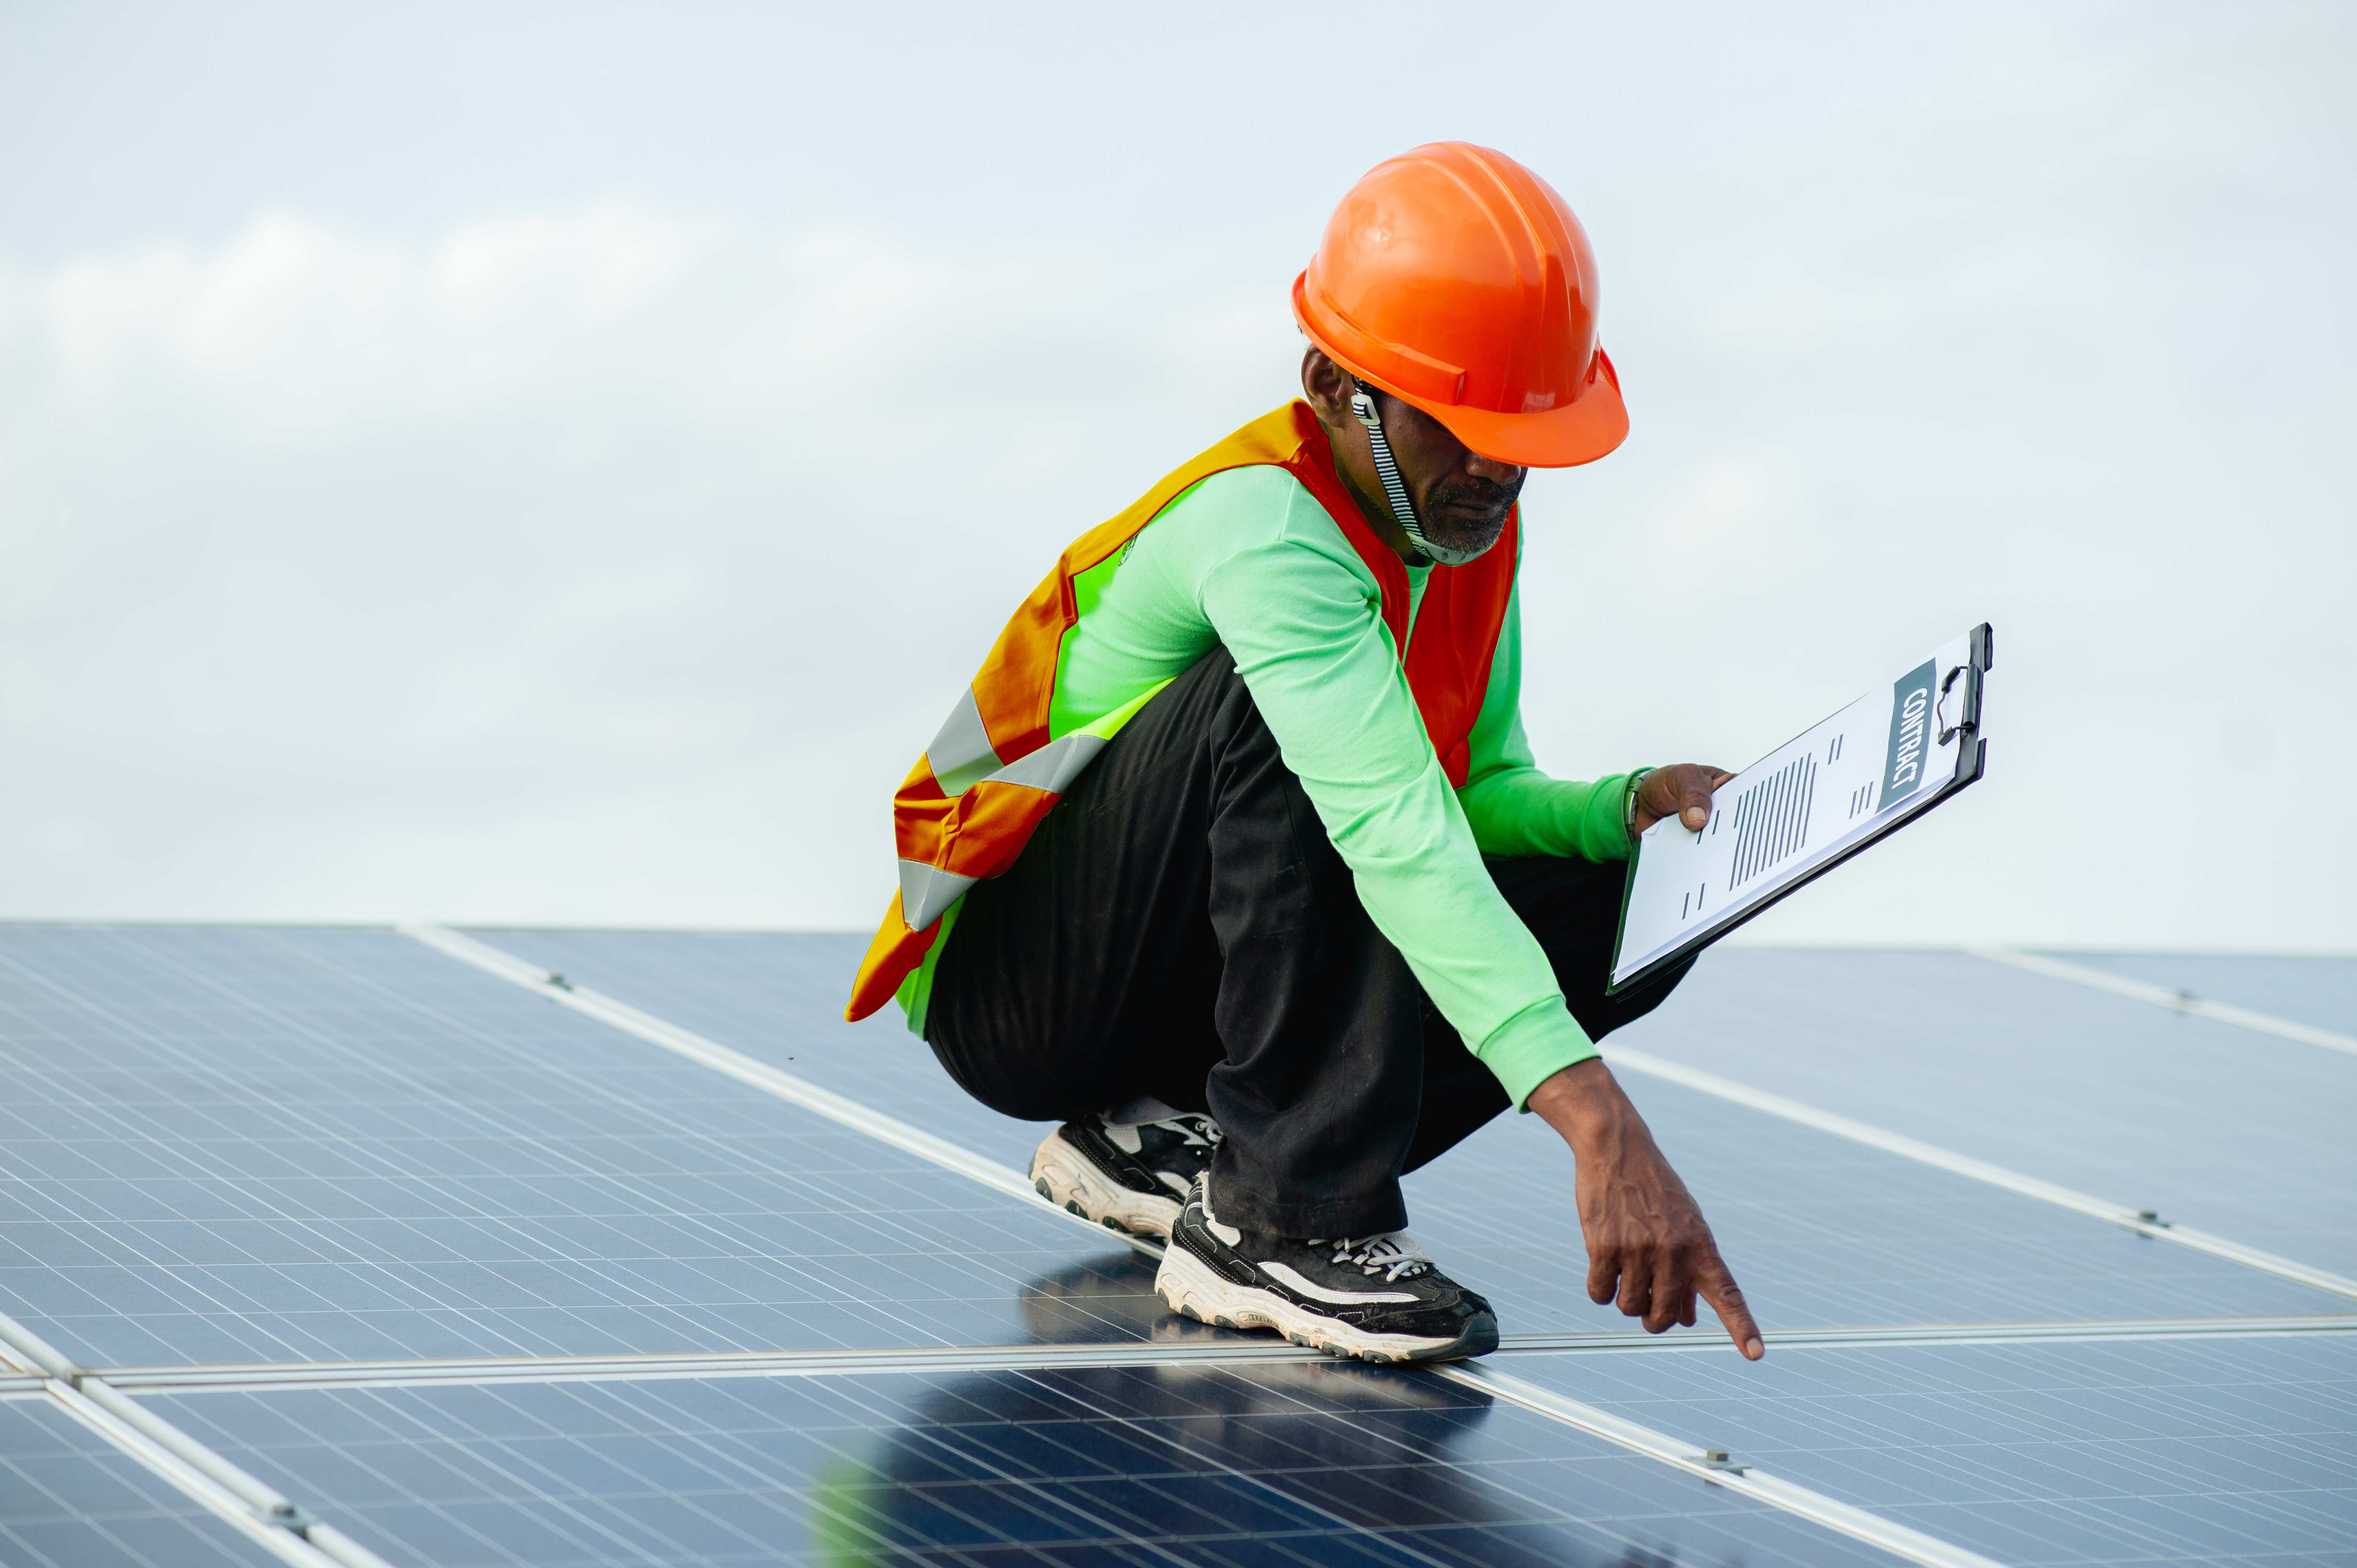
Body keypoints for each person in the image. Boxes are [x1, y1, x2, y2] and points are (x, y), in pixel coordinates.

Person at [845, 142, 1762, 1367]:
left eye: (1519, 431)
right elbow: (1392, 830)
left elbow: (1466, 795)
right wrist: (1598, 1124)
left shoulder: (1467, 529)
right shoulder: (1268, 529)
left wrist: (1619, 813)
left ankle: (1181, 1141)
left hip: (1178, 980)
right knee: (1280, 727)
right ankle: (1282, 1217)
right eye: (1455, 423)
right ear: (1334, 385)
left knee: (1634, 898)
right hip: (1020, 980)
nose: (1495, 465)